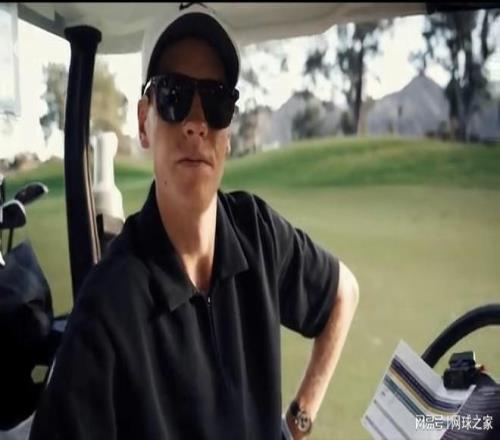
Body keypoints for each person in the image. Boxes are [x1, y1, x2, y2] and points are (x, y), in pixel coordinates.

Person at [29, 3, 359, 439]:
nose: (197, 123)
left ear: (228, 132)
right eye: (174, 95)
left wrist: (298, 421)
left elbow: (343, 292)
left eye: (217, 100)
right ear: (144, 121)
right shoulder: (107, 307)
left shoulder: (258, 232)